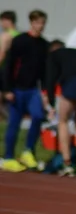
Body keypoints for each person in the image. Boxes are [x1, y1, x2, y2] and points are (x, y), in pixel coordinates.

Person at [1, 10, 49, 172]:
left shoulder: (44, 45)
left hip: (33, 90)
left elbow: (44, 71)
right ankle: (8, 157)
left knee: (38, 116)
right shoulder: (20, 41)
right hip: (16, 89)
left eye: (43, 23)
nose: (40, 26)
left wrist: (44, 92)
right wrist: (6, 89)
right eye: (37, 23)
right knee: (14, 123)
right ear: (31, 23)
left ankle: (28, 151)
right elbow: (8, 65)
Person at [44, 40, 76, 177]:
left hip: (72, 82)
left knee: (63, 121)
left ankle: (67, 163)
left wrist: (50, 101)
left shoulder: (53, 56)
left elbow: (50, 79)